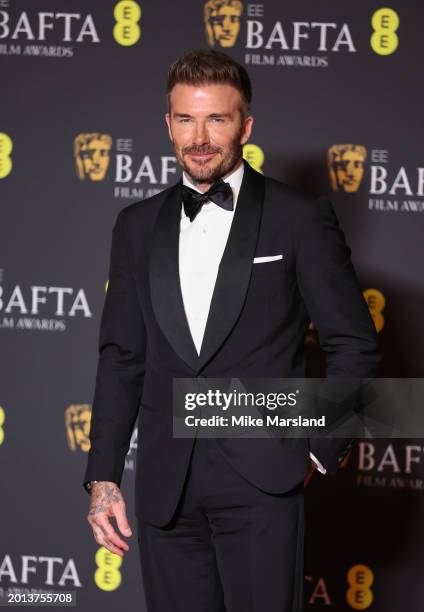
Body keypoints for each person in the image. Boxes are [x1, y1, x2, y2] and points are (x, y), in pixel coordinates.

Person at [83, 49, 380, 611]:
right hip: (165, 489)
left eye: (216, 119)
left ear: (244, 126)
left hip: (263, 481)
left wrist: (317, 452)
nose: (200, 137)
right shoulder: (136, 225)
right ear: (167, 123)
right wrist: (103, 480)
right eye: (186, 119)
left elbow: (354, 346)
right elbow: (122, 356)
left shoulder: (298, 216)